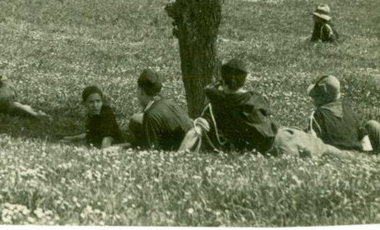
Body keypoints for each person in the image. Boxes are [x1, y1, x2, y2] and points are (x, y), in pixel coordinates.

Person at [192, 59, 351, 157]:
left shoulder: (217, 104)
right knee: (328, 151)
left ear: (223, 81)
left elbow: (198, 129)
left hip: (279, 147)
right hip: (286, 136)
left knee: (327, 152)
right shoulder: (256, 98)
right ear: (243, 81)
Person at [306, 75, 379, 154]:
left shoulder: (318, 115)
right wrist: (366, 154)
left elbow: (313, 142)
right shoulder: (348, 110)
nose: (313, 99)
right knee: (372, 124)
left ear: (321, 98)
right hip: (357, 153)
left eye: (315, 97)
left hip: (337, 155)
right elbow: (363, 135)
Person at [127, 69, 193, 151]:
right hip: (191, 145)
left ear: (141, 91)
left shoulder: (151, 115)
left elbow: (150, 151)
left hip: (179, 153)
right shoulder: (170, 104)